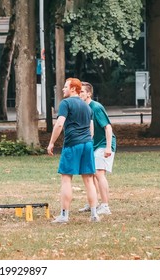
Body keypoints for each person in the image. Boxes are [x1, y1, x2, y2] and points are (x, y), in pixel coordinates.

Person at [47, 78, 100, 223]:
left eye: (65, 87)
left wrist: (51, 143)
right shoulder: (87, 106)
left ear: (73, 89)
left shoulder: (66, 103)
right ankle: (94, 214)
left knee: (66, 179)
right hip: (87, 144)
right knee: (89, 180)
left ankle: (64, 215)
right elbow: (91, 129)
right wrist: (87, 139)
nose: (63, 89)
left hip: (72, 144)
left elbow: (59, 124)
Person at [78, 82, 116, 215]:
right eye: (78, 92)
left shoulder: (96, 107)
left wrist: (108, 147)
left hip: (104, 144)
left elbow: (108, 127)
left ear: (89, 93)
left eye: (82, 91)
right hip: (93, 145)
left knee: (99, 173)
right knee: (90, 174)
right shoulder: (83, 108)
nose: (79, 94)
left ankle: (105, 206)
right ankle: (92, 203)